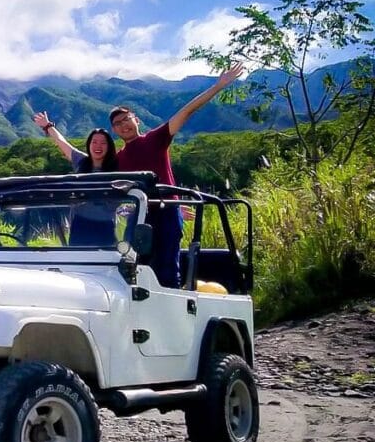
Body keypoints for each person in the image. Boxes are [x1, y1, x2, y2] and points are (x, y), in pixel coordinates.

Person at [109, 63, 245, 288]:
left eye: (126, 119)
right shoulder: (118, 159)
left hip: (167, 214)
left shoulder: (155, 139)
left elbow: (187, 111)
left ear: (137, 120)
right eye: (117, 123)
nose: (123, 125)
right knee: (139, 268)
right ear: (114, 130)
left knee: (168, 267)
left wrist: (218, 86)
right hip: (139, 218)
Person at [31, 114, 119, 245]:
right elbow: (62, 142)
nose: (98, 146)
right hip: (80, 223)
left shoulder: (116, 168)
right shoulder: (81, 161)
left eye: (103, 143)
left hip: (106, 225)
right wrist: (48, 126)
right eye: (94, 142)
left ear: (109, 146)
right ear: (89, 145)